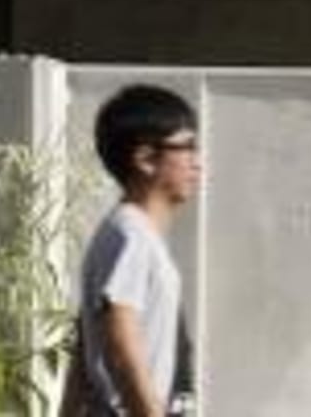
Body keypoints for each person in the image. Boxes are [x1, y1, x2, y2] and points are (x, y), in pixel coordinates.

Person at [64, 84, 203, 417]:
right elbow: (120, 340)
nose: (197, 162)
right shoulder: (132, 234)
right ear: (146, 159)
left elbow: (85, 341)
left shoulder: (129, 234)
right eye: (188, 147)